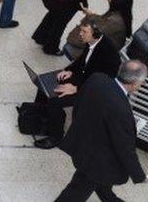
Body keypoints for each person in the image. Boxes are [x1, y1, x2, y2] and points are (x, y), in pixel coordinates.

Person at [53, 61, 148, 201]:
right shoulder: (121, 110)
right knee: (76, 191)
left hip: (83, 145)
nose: (142, 85)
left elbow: (78, 105)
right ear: (134, 83)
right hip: (96, 161)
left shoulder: (97, 79)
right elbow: (125, 150)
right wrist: (141, 176)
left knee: (103, 184)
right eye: (142, 82)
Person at [33, 15, 122, 150]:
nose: (80, 34)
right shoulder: (91, 42)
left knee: (55, 101)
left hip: (93, 89)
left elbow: (102, 81)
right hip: (84, 79)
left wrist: (76, 88)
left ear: (96, 33)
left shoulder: (109, 54)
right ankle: (40, 118)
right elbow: (82, 61)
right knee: (45, 82)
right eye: (81, 30)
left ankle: (56, 137)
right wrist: (69, 70)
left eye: (84, 32)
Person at [66, 0, 133, 58]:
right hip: (106, 43)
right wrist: (90, 15)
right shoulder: (121, 14)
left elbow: (95, 34)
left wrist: (73, 39)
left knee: (69, 46)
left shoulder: (114, 21)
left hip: (103, 52)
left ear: (117, 1)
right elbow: (102, 22)